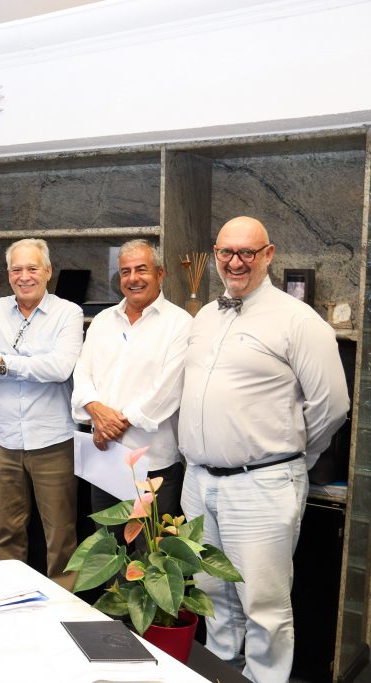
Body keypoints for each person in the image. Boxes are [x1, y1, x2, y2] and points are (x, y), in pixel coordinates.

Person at [179, 216, 348, 682]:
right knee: (213, 593)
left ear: (268, 255)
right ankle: (222, 673)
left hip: (262, 483)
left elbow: (332, 406)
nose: (235, 263)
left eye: (246, 253)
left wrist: (291, 458)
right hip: (198, 481)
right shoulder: (206, 315)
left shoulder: (298, 320)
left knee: (264, 605)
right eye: (226, 252)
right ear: (215, 254)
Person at [0, 238, 83, 590]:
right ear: (8, 275)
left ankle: (66, 614)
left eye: (32, 268)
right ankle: (10, 601)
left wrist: (4, 362)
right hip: (3, 439)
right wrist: (28, 362)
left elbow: (60, 368)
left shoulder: (68, 312)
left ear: (48, 271)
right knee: (7, 531)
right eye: (17, 270)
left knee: (61, 536)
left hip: (52, 440)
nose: (24, 277)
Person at [71, 239, 192, 526]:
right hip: (105, 458)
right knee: (107, 550)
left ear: (160, 274)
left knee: (151, 559)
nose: (133, 278)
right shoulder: (102, 320)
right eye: (125, 272)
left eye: (142, 270)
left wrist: (110, 425)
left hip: (153, 463)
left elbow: (166, 392)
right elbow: (82, 374)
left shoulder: (180, 324)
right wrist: (96, 413)